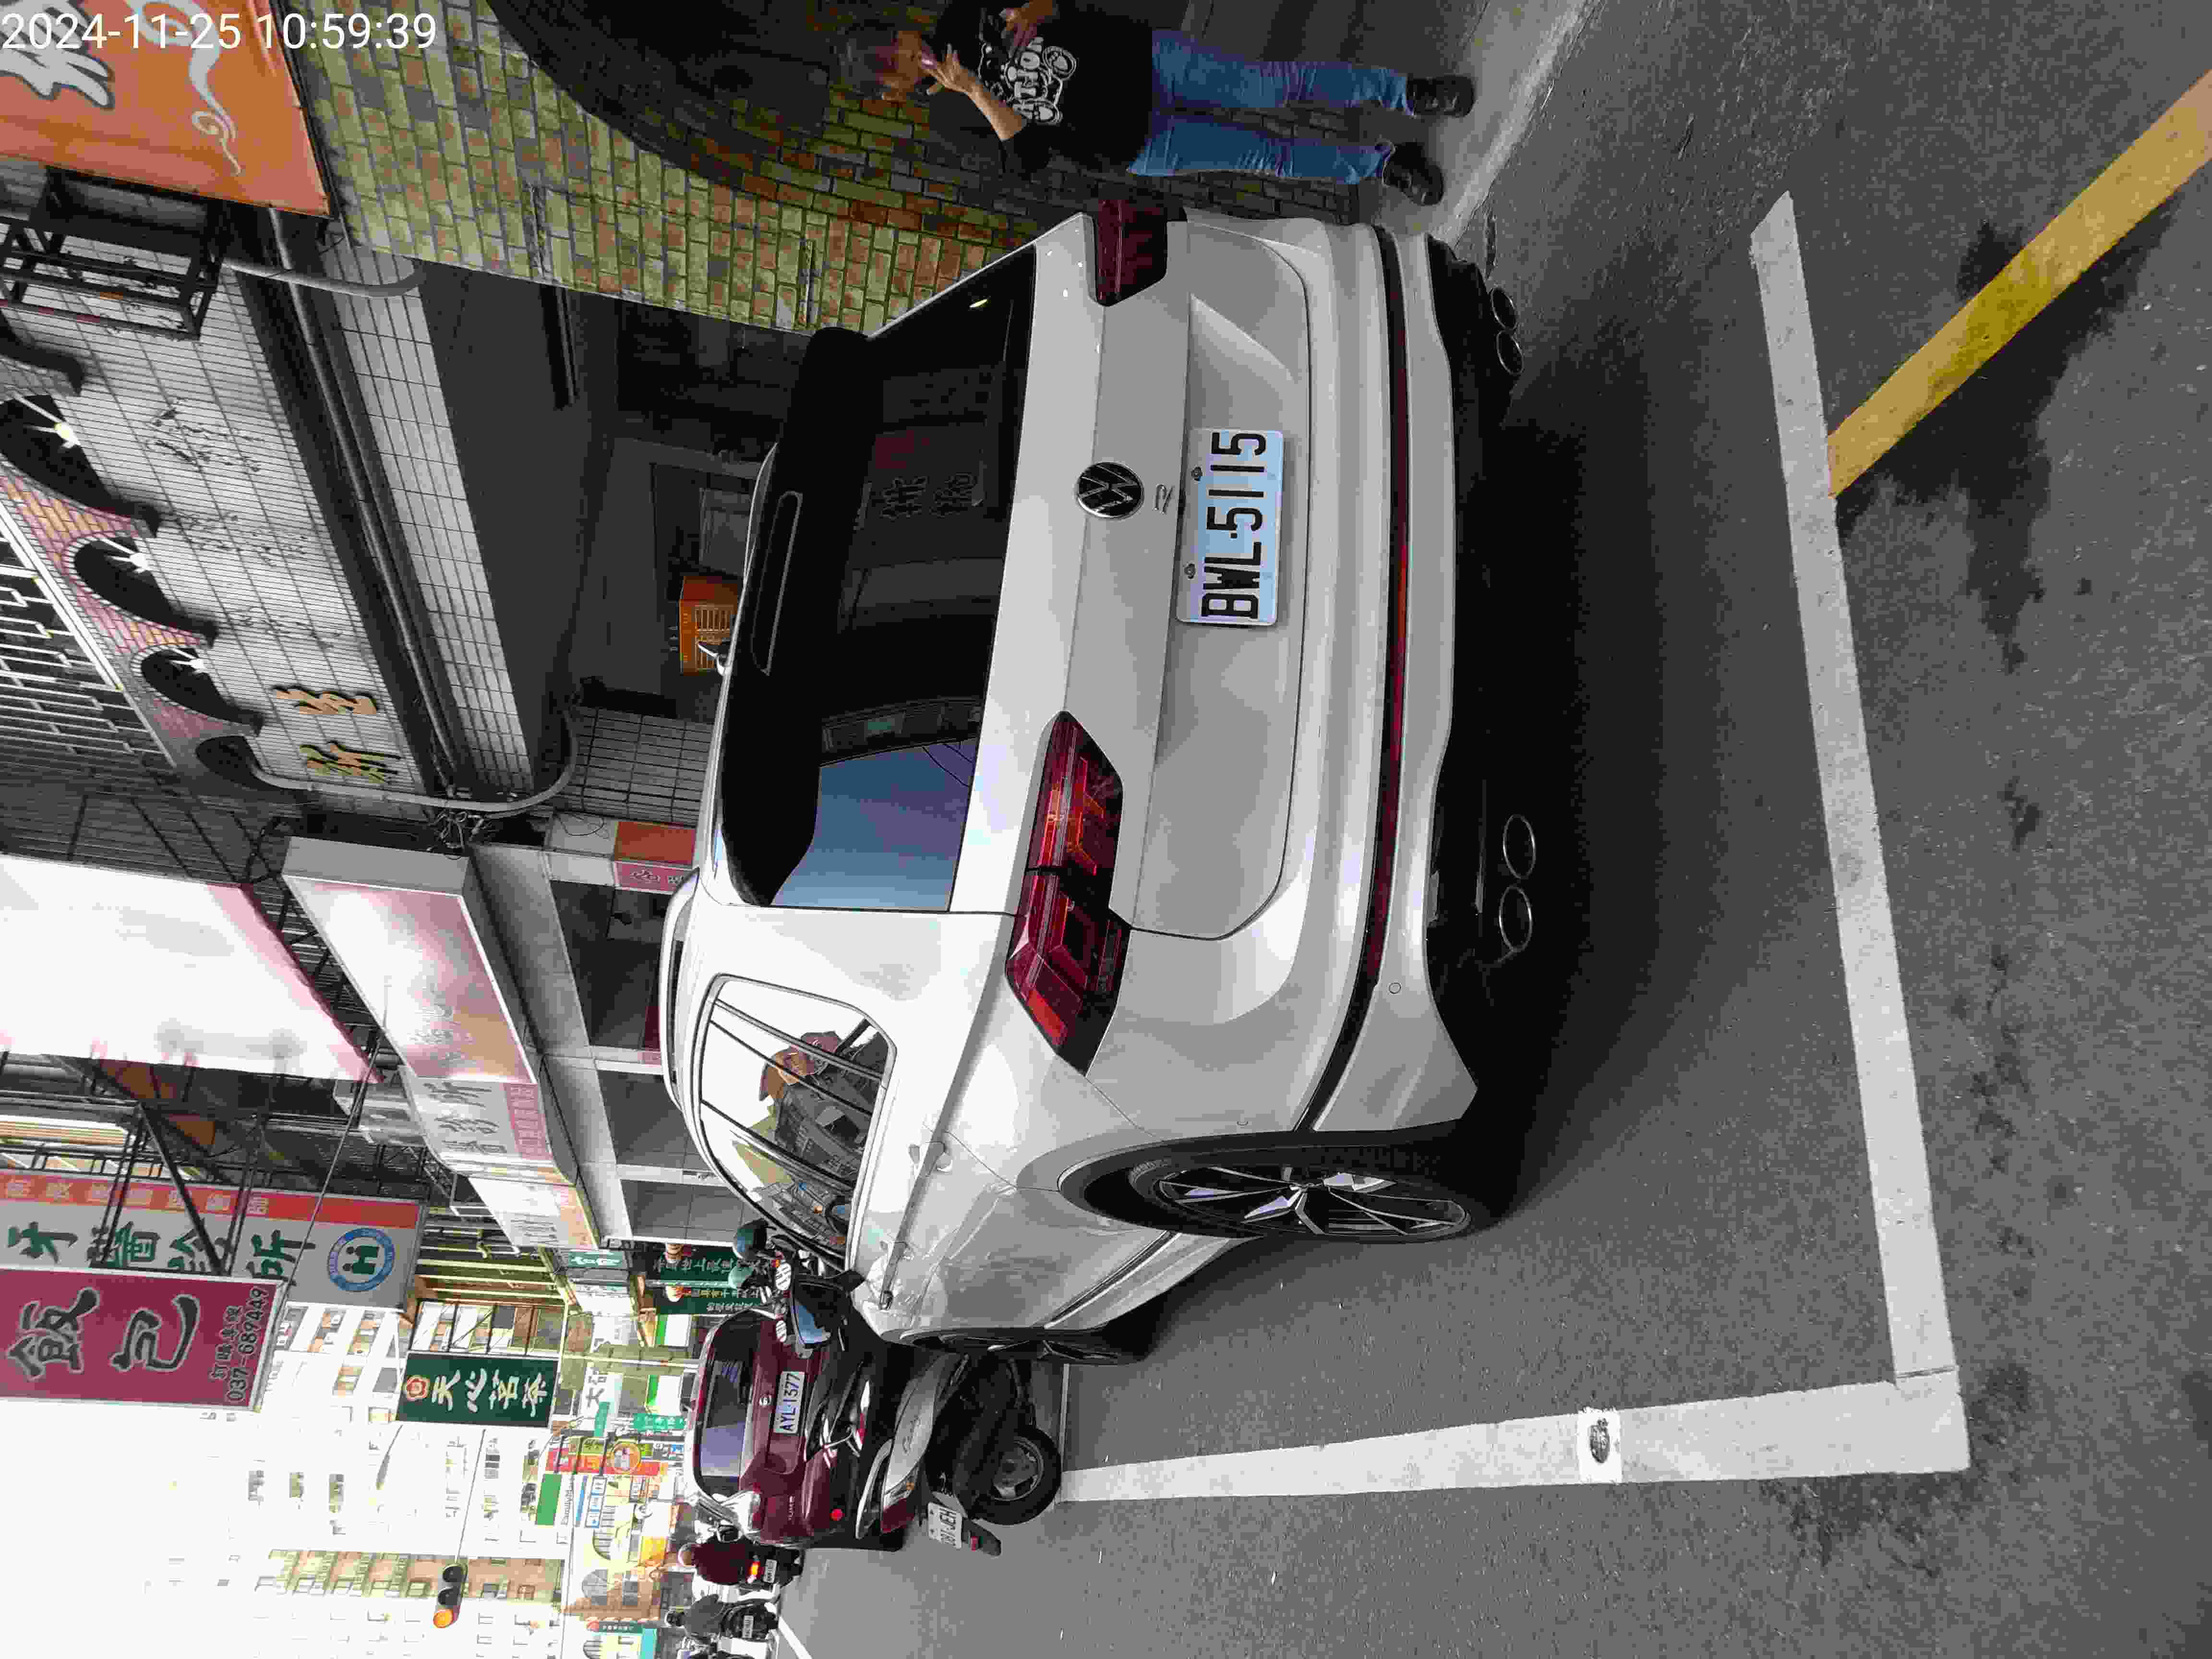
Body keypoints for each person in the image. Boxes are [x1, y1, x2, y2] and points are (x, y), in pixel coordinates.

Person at [837, 1, 1475, 206]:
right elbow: (1028, 158)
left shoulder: (963, 12)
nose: (904, 57)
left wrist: (1036, 8)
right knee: (1267, 157)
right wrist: (977, 92)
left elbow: (1059, 4)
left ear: (902, 30)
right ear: (892, 92)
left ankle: (1407, 93)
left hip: (1145, 62)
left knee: (1276, 87)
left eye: (893, 45)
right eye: (890, 70)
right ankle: (1383, 163)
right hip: (1134, 143)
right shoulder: (951, 118)